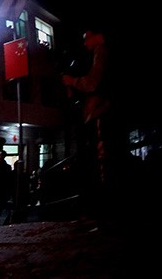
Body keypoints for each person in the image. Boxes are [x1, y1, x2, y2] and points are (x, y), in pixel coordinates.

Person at [62, 26, 115, 218]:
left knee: (103, 157)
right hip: (100, 109)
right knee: (103, 157)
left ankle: (106, 210)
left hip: (102, 110)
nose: (84, 44)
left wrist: (72, 82)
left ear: (96, 36)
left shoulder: (102, 51)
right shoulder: (100, 53)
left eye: (86, 39)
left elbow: (93, 82)